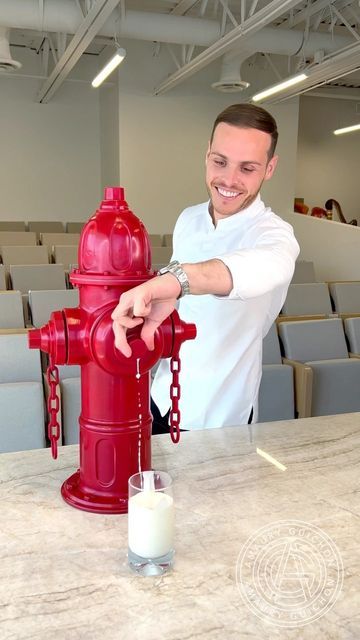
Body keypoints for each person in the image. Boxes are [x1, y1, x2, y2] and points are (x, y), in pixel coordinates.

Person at [112, 103, 300, 432]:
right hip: (162, 396)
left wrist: (174, 281)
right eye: (220, 161)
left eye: (247, 168)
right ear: (206, 155)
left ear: (270, 168)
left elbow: (257, 268)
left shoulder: (274, 235)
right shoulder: (188, 219)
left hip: (222, 415)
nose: (228, 179)